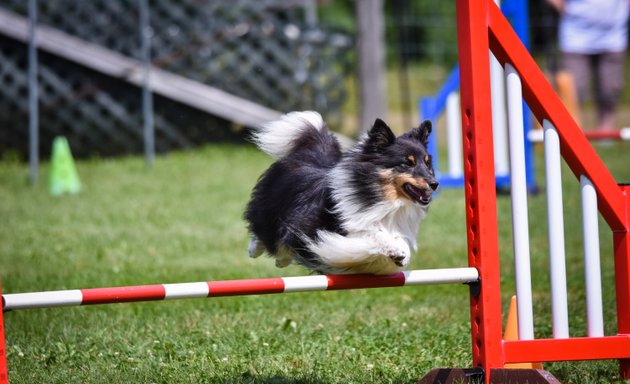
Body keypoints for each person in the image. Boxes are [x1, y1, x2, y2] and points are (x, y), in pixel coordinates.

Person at [547, 0, 629, 131]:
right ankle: (573, 130)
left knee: (610, 89)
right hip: (576, 38)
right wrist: (561, 6)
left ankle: (605, 131)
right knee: (574, 89)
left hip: (613, 37)